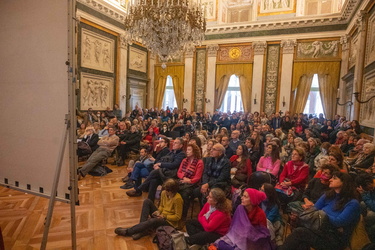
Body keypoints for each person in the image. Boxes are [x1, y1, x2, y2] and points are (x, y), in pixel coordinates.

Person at [280, 172, 361, 250]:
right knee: (299, 223)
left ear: (344, 183)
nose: (330, 180)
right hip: (321, 230)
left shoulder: (352, 203)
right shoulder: (328, 195)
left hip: (335, 238)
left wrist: (322, 214)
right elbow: (315, 209)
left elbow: (338, 222)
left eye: (334, 178)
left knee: (300, 232)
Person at [114, 179, 183, 240]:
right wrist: (158, 212)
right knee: (147, 201)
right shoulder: (164, 193)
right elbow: (162, 205)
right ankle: (142, 231)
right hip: (162, 215)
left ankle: (128, 232)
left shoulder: (177, 199)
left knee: (153, 221)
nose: (166, 192)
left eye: (168, 191)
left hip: (169, 221)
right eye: (165, 189)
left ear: (173, 191)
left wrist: (164, 216)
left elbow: (177, 217)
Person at [177, 143, 204, 219]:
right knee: (170, 186)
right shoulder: (184, 160)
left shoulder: (199, 162)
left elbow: (197, 177)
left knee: (184, 194)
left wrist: (188, 181)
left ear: (194, 151)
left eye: (189, 150)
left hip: (193, 184)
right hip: (182, 180)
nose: (187, 151)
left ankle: (183, 216)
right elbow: (179, 172)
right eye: (186, 150)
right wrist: (184, 178)